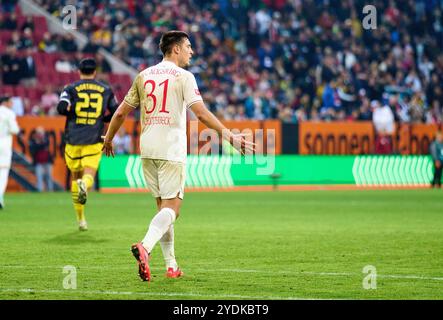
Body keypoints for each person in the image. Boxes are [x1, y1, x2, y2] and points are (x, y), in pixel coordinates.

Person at [102, 30, 254, 281]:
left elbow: (120, 113)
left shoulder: (143, 75)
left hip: (147, 150)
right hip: (171, 149)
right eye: (188, 47)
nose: (191, 51)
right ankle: (145, 247)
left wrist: (108, 139)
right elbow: (202, 114)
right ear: (175, 49)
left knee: (163, 209)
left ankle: (171, 266)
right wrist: (231, 137)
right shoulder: (184, 76)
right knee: (174, 208)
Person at [57, 58, 118, 231]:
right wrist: (101, 118)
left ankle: (81, 219)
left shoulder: (70, 88)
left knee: (75, 178)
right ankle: (86, 184)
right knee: (88, 174)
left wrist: (73, 114)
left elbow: (61, 108)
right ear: (95, 72)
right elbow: (115, 111)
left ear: (79, 71)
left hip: (73, 138)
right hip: (93, 137)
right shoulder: (106, 90)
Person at [0, 95, 20, 209]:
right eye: (11, 102)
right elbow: (14, 129)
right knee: (2, 172)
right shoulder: (9, 113)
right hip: (4, 144)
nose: (12, 104)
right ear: (6, 102)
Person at [29, 126, 54, 192]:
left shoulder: (46, 139)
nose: (40, 134)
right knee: (39, 177)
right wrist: (39, 146)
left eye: (41, 132)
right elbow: (33, 149)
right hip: (38, 162)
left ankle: (50, 190)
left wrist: (39, 145)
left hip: (47, 161)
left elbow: (45, 145)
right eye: (38, 132)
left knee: (49, 176)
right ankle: (40, 190)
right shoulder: (33, 140)